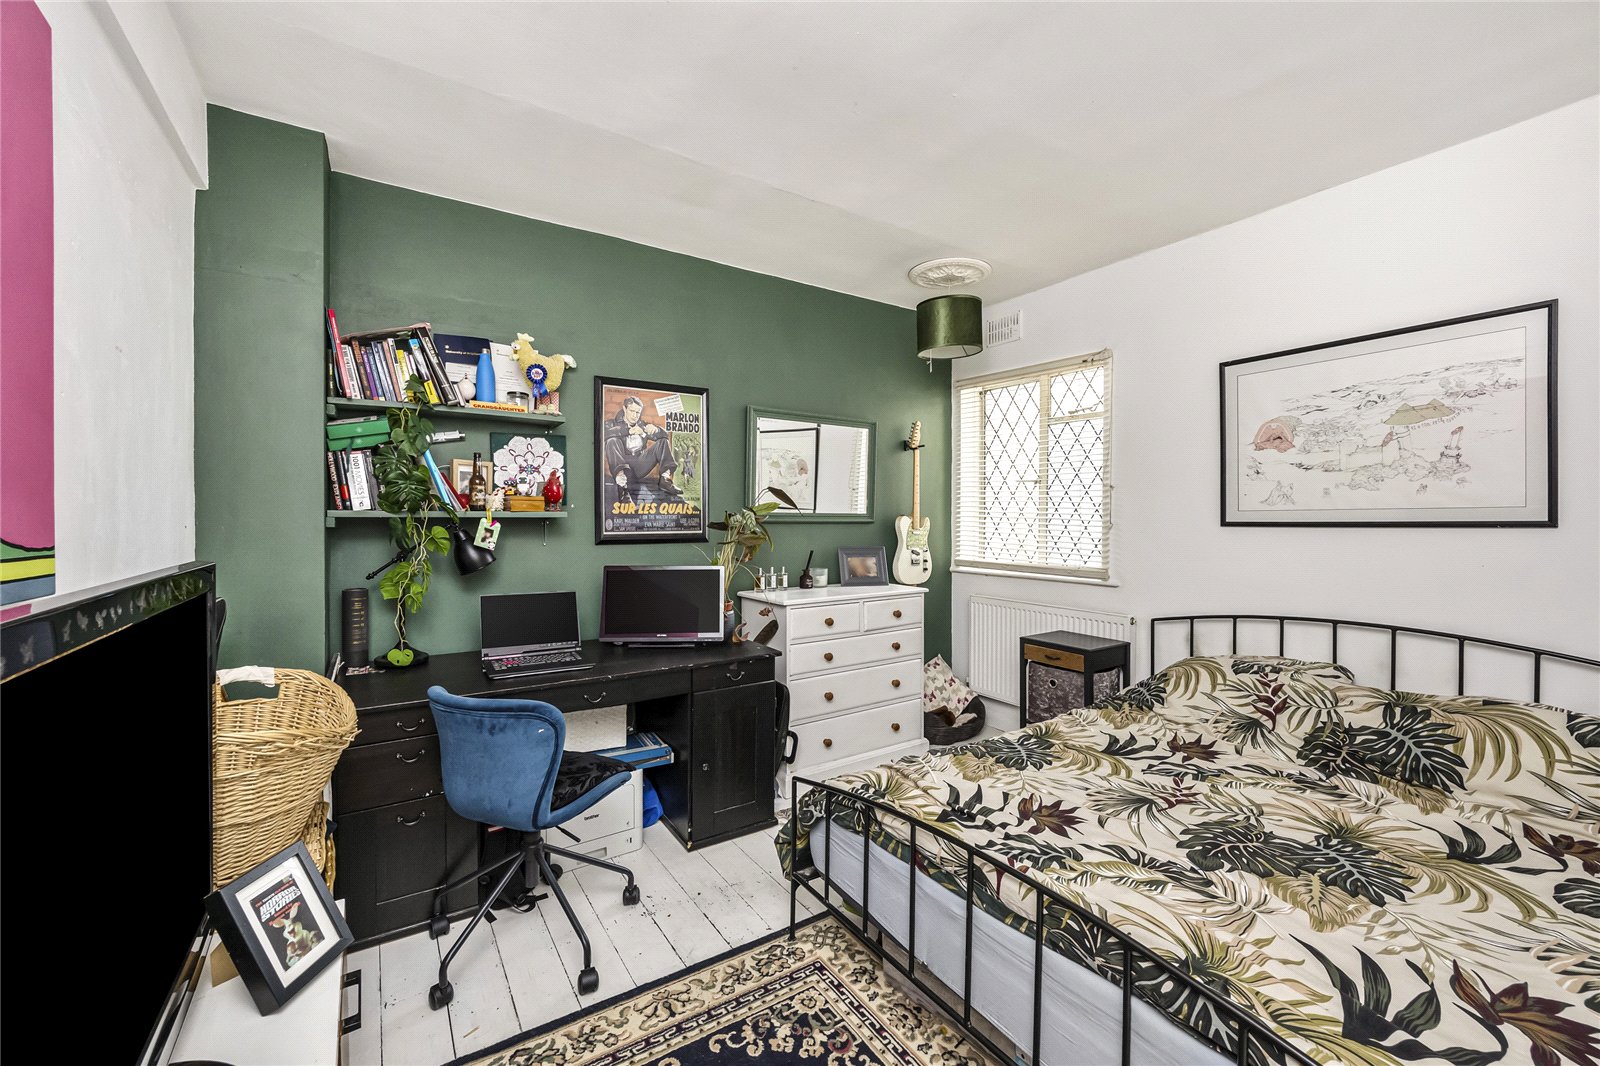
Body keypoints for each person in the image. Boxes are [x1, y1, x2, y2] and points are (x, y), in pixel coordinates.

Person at [603, 396, 683, 500]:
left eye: (638, 412)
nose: (635, 415)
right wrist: (627, 430)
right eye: (632, 411)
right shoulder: (611, 424)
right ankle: (622, 488)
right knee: (612, 440)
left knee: (663, 442)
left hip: (641, 466)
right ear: (624, 409)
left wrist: (657, 430)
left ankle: (665, 480)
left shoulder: (642, 425)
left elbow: (665, 435)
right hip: (623, 468)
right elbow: (604, 434)